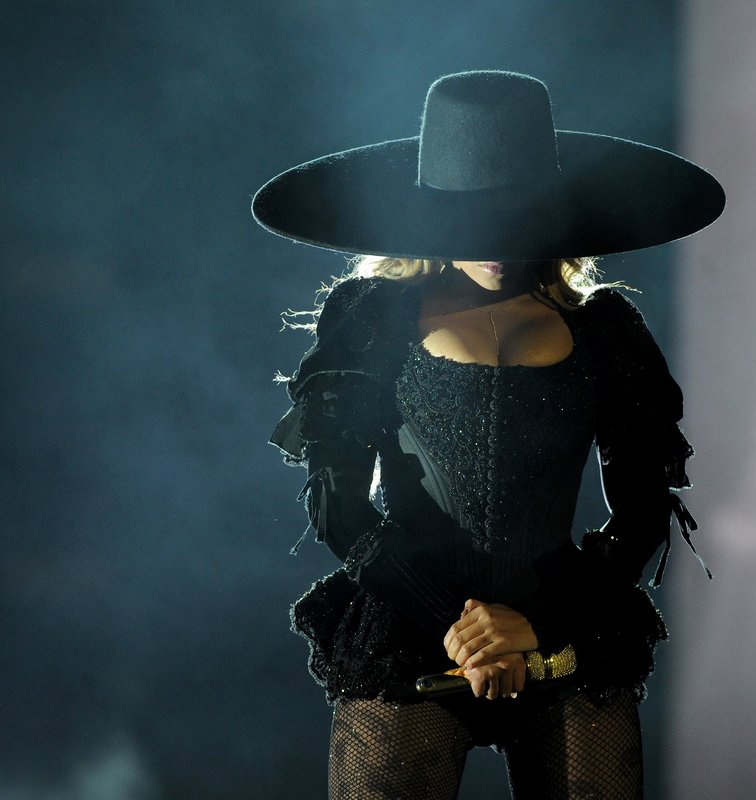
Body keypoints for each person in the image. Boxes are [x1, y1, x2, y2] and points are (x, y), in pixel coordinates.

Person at [253, 71, 723, 799]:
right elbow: (337, 503)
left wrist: (536, 620)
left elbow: (642, 509)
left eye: (522, 221)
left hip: (566, 623)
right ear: (427, 220)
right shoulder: (372, 320)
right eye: (472, 226)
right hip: (410, 622)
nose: (498, 246)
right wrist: (459, 624)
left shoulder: (605, 332)